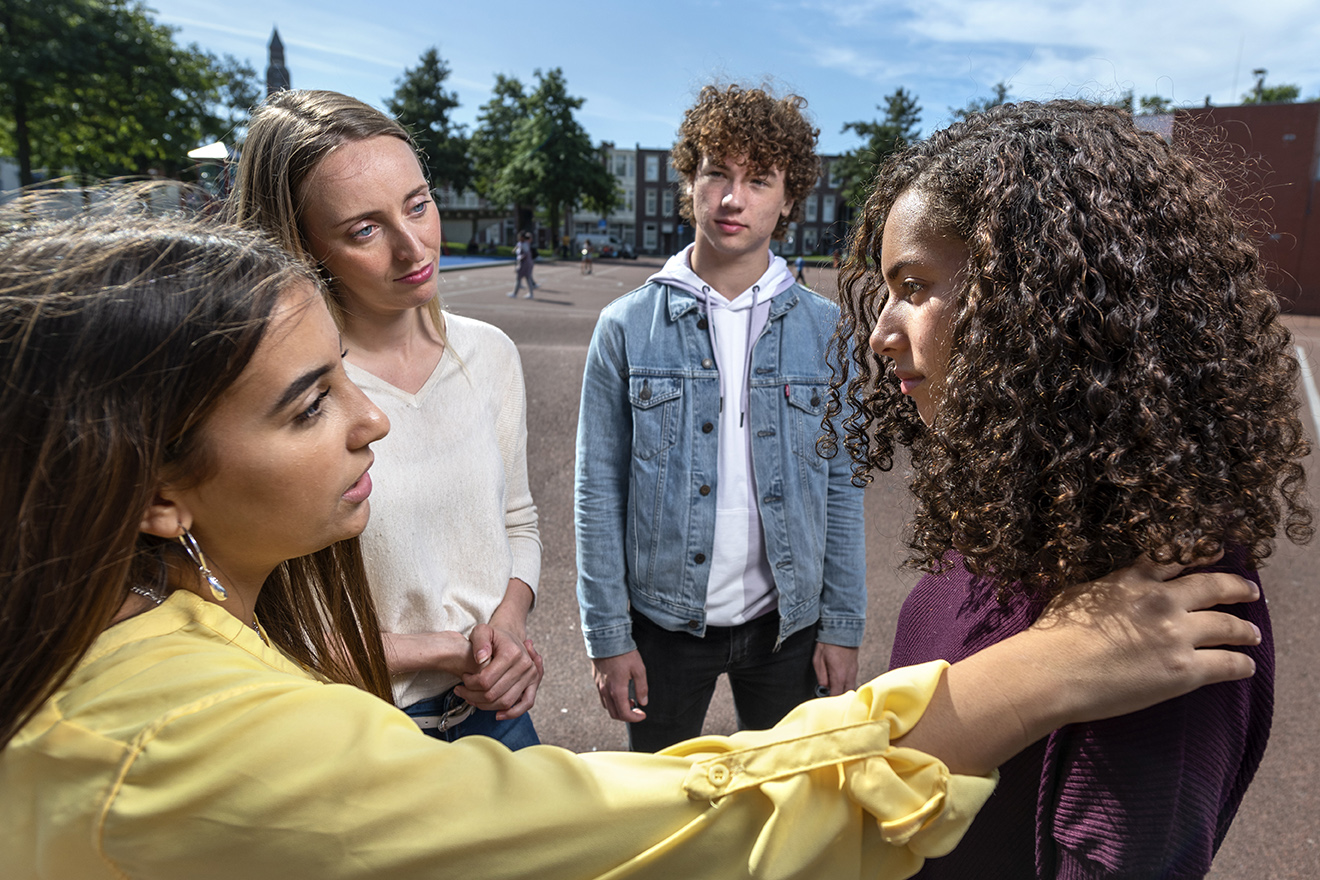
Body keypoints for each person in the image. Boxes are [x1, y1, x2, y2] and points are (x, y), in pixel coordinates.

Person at [0, 196, 1270, 880]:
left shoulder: (129, 649)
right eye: (306, 401)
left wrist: (837, 618)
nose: (372, 419)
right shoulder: (177, 734)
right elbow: (653, 825)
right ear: (155, 489)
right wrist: (1034, 675)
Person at [826, 100, 1313, 879]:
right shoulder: (1022, 510)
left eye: (914, 287)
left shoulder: (1169, 612)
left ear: (1036, 298)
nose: (880, 332)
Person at [226, 89, 543, 748]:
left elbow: (517, 520)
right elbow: (252, 619)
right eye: (364, 229)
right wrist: (439, 650)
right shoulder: (272, 392)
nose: (413, 246)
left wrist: (510, 629)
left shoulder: (490, 354)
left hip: (501, 717)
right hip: (359, 732)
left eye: (418, 204)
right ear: (301, 247)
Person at [575, 84, 866, 751]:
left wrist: (843, 623)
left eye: (758, 180)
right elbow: (597, 490)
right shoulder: (625, 326)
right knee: (662, 799)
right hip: (663, 626)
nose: (733, 198)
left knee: (787, 795)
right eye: (717, 174)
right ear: (690, 183)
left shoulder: (826, 331)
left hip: (789, 626)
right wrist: (608, 636)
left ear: (788, 198)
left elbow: (842, 486)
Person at [510, 230, 538, 298]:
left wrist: (520, 258)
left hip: (525, 264)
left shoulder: (524, 244)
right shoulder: (522, 243)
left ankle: (515, 293)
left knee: (520, 278)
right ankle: (530, 294)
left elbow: (526, 254)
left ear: (522, 237)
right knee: (527, 278)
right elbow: (517, 248)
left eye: (519, 236)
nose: (518, 238)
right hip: (525, 263)